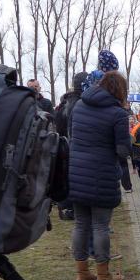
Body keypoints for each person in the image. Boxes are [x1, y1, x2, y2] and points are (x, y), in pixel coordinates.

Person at [68, 71, 131, 280]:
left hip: (76, 171)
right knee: (100, 226)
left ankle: (82, 273)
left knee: (80, 224)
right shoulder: (118, 113)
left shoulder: (79, 105)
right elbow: (123, 151)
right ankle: (103, 276)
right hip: (102, 174)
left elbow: (72, 136)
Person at [53, 71, 89, 221]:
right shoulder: (78, 104)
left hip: (64, 145)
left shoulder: (66, 102)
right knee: (71, 178)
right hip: (71, 146)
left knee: (66, 177)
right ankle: (68, 208)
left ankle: (66, 207)